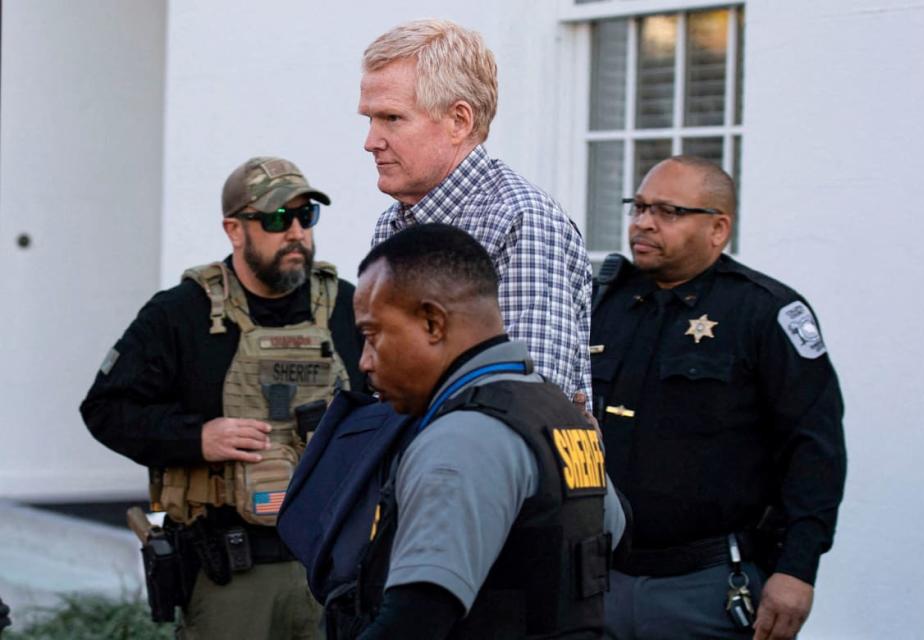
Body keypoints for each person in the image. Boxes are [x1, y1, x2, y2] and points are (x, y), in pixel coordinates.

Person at [81, 156, 364, 640]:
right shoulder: (181, 314)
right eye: (276, 219)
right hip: (231, 573)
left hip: (328, 567)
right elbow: (106, 409)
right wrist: (197, 437)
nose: (295, 232)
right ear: (235, 230)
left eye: (305, 217)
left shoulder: (346, 307)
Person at [324, 223, 625, 639]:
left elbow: (413, 621)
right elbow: (615, 533)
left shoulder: (464, 440)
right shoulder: (559, 414)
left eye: (374, 335)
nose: (365, 361)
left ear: (433, 323)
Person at [591, 156, 846, 640]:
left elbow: (815, 448)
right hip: (601, 581)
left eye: (668, 211)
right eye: (639, 206)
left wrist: (798, 568)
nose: (643, 222)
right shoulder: (604, 303)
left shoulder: (763, 313)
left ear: (718, 228)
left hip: (708, 586)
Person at [359, 19, 593, 407]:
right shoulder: (394, 223)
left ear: (459, 121)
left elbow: (526, 397)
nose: (370, 142)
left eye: (392, 118)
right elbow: (380, 381)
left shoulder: (521, 218)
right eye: (370, 119)